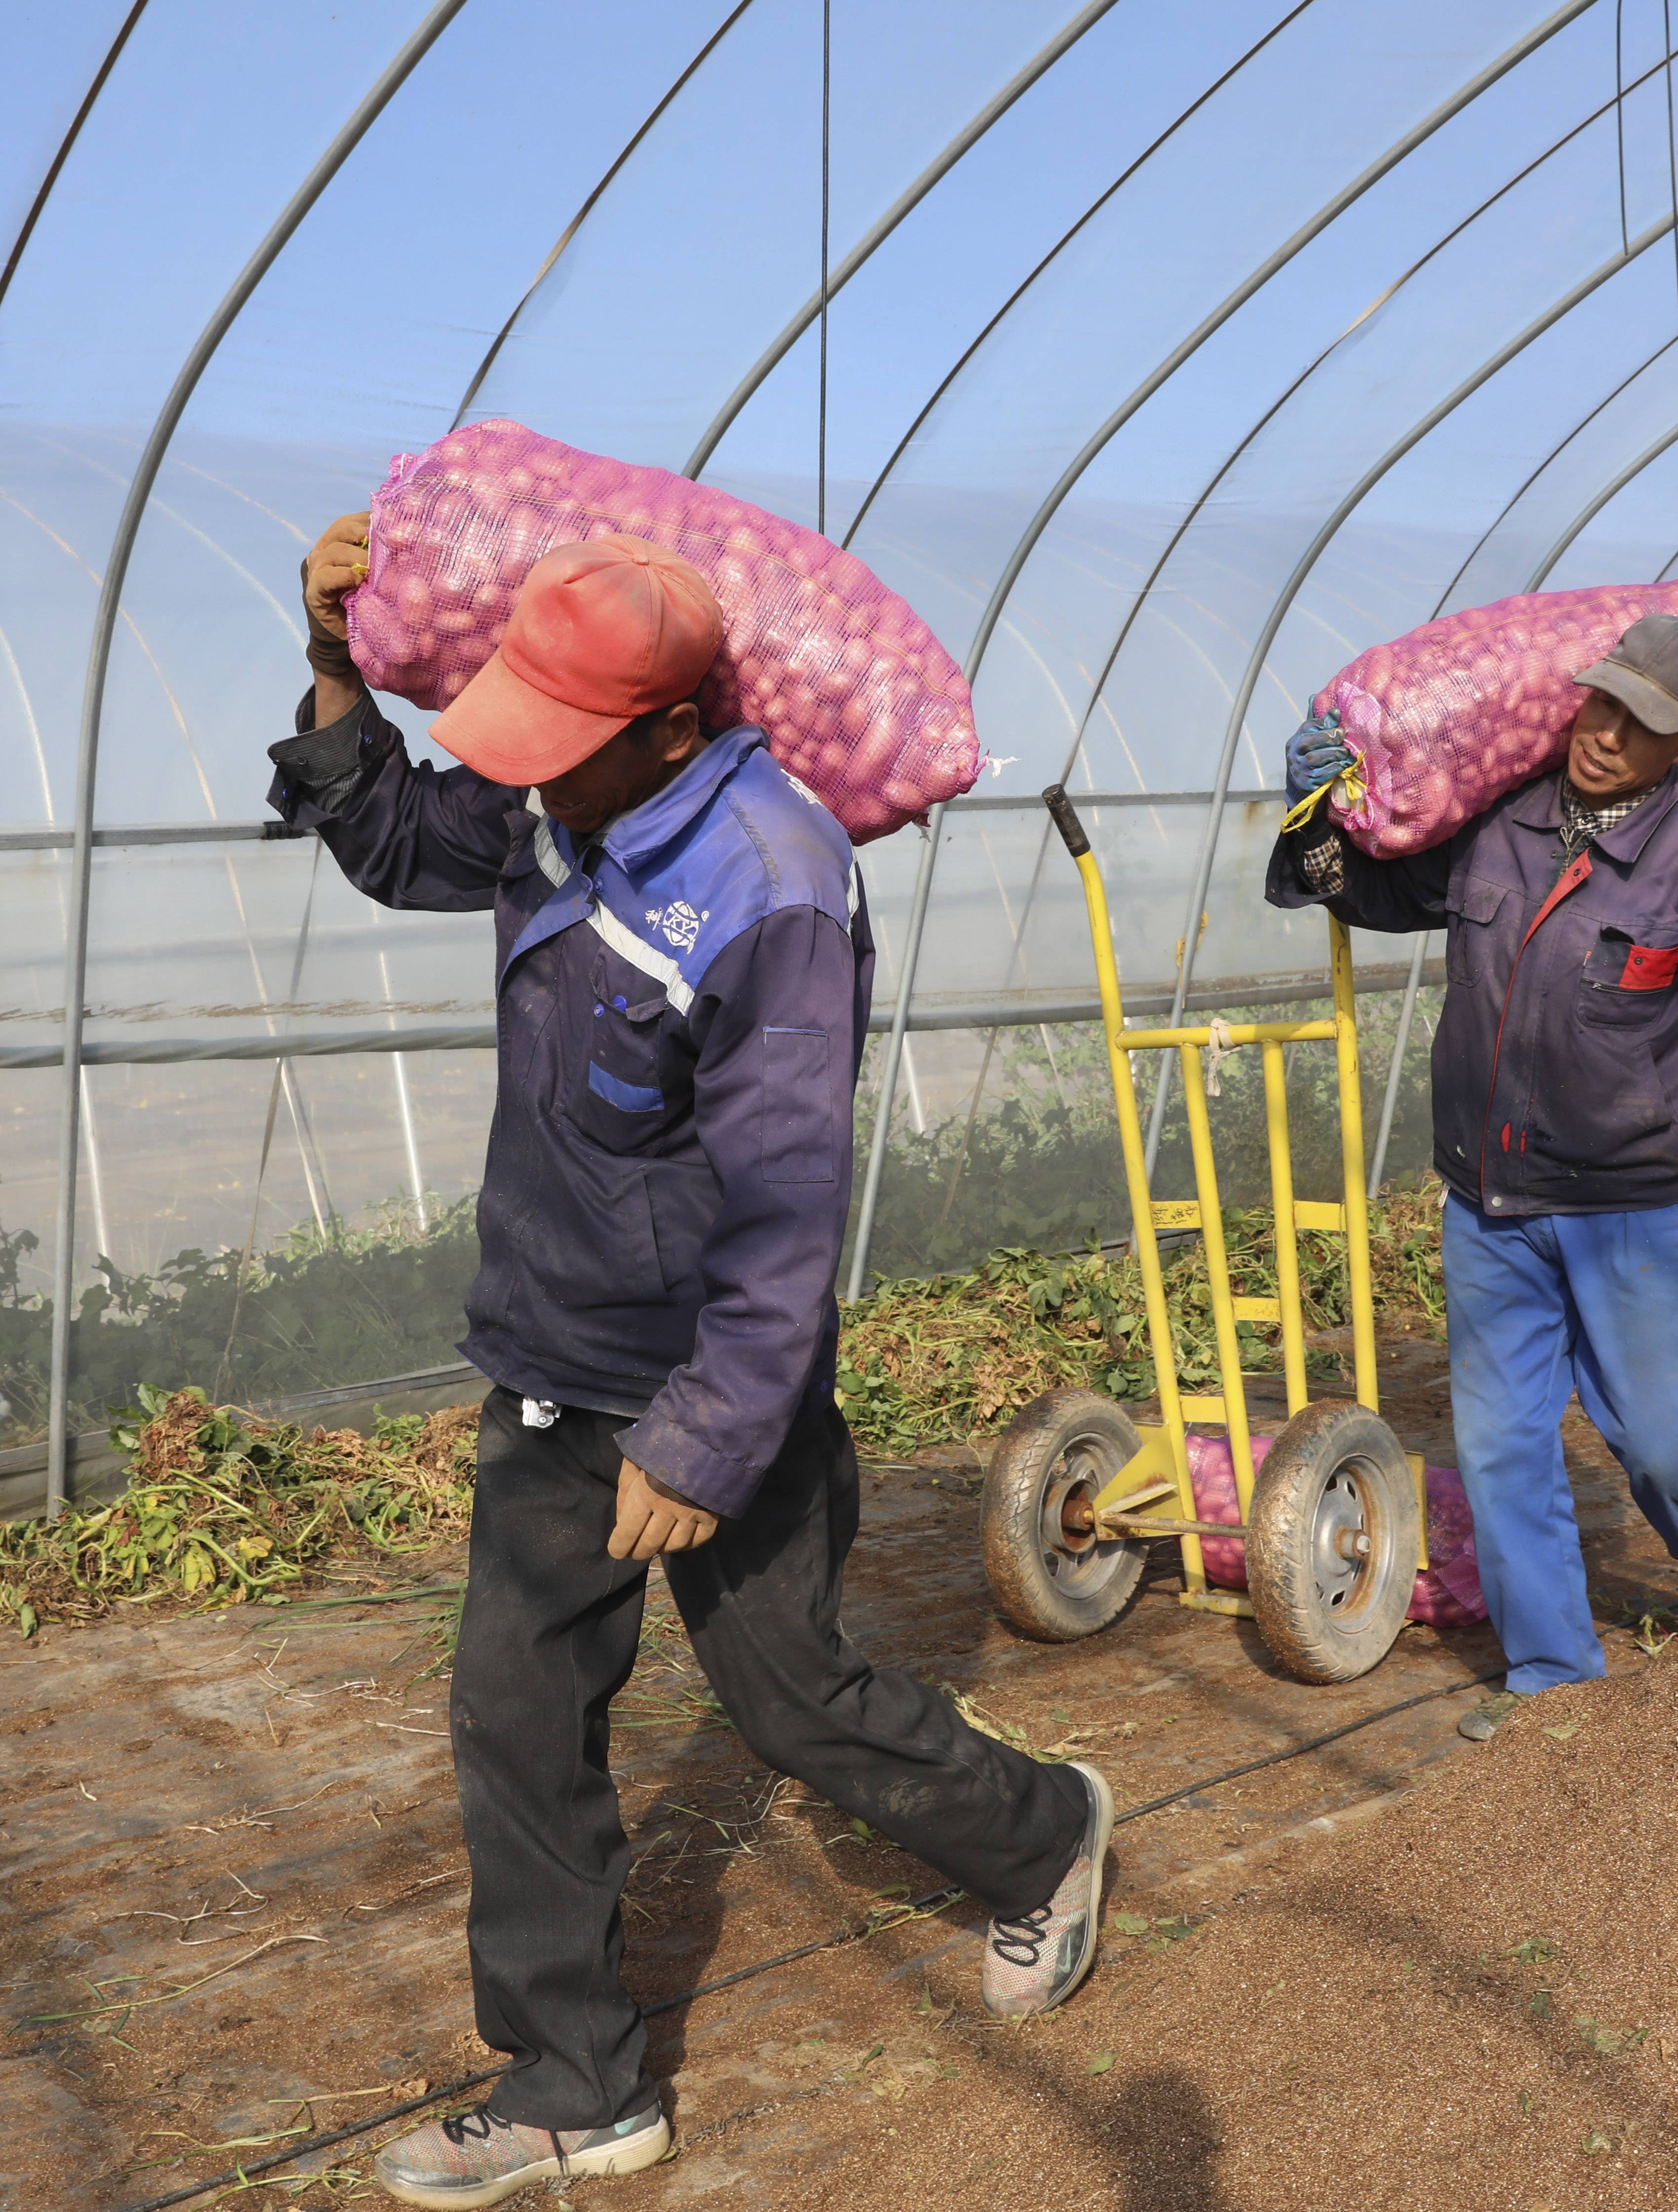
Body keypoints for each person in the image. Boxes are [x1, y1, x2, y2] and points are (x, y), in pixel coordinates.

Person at [267, 515, 1109, 2210]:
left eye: (559, 751)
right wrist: (340, 661)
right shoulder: (550, 802)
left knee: (793, 1705)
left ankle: (1048, 1833)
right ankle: (579, 2085)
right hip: (549, 1361)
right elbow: (387, 835)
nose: (527, 779)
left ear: (668, 728)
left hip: (712, 1388)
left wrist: (708, 1436)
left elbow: (791, 1208)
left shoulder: (772, 881)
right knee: (515, 1719)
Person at [1265, 612, 1678, 1744]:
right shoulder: (1499, 822)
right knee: (1506, 1444)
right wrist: (1316, 815)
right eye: (1601, 703)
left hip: (1631, 1211)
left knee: (1667, 1441)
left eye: (1642, 724)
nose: (1606, 735)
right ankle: (1555, 1674)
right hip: (1490, 1205)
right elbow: (1366, 893)